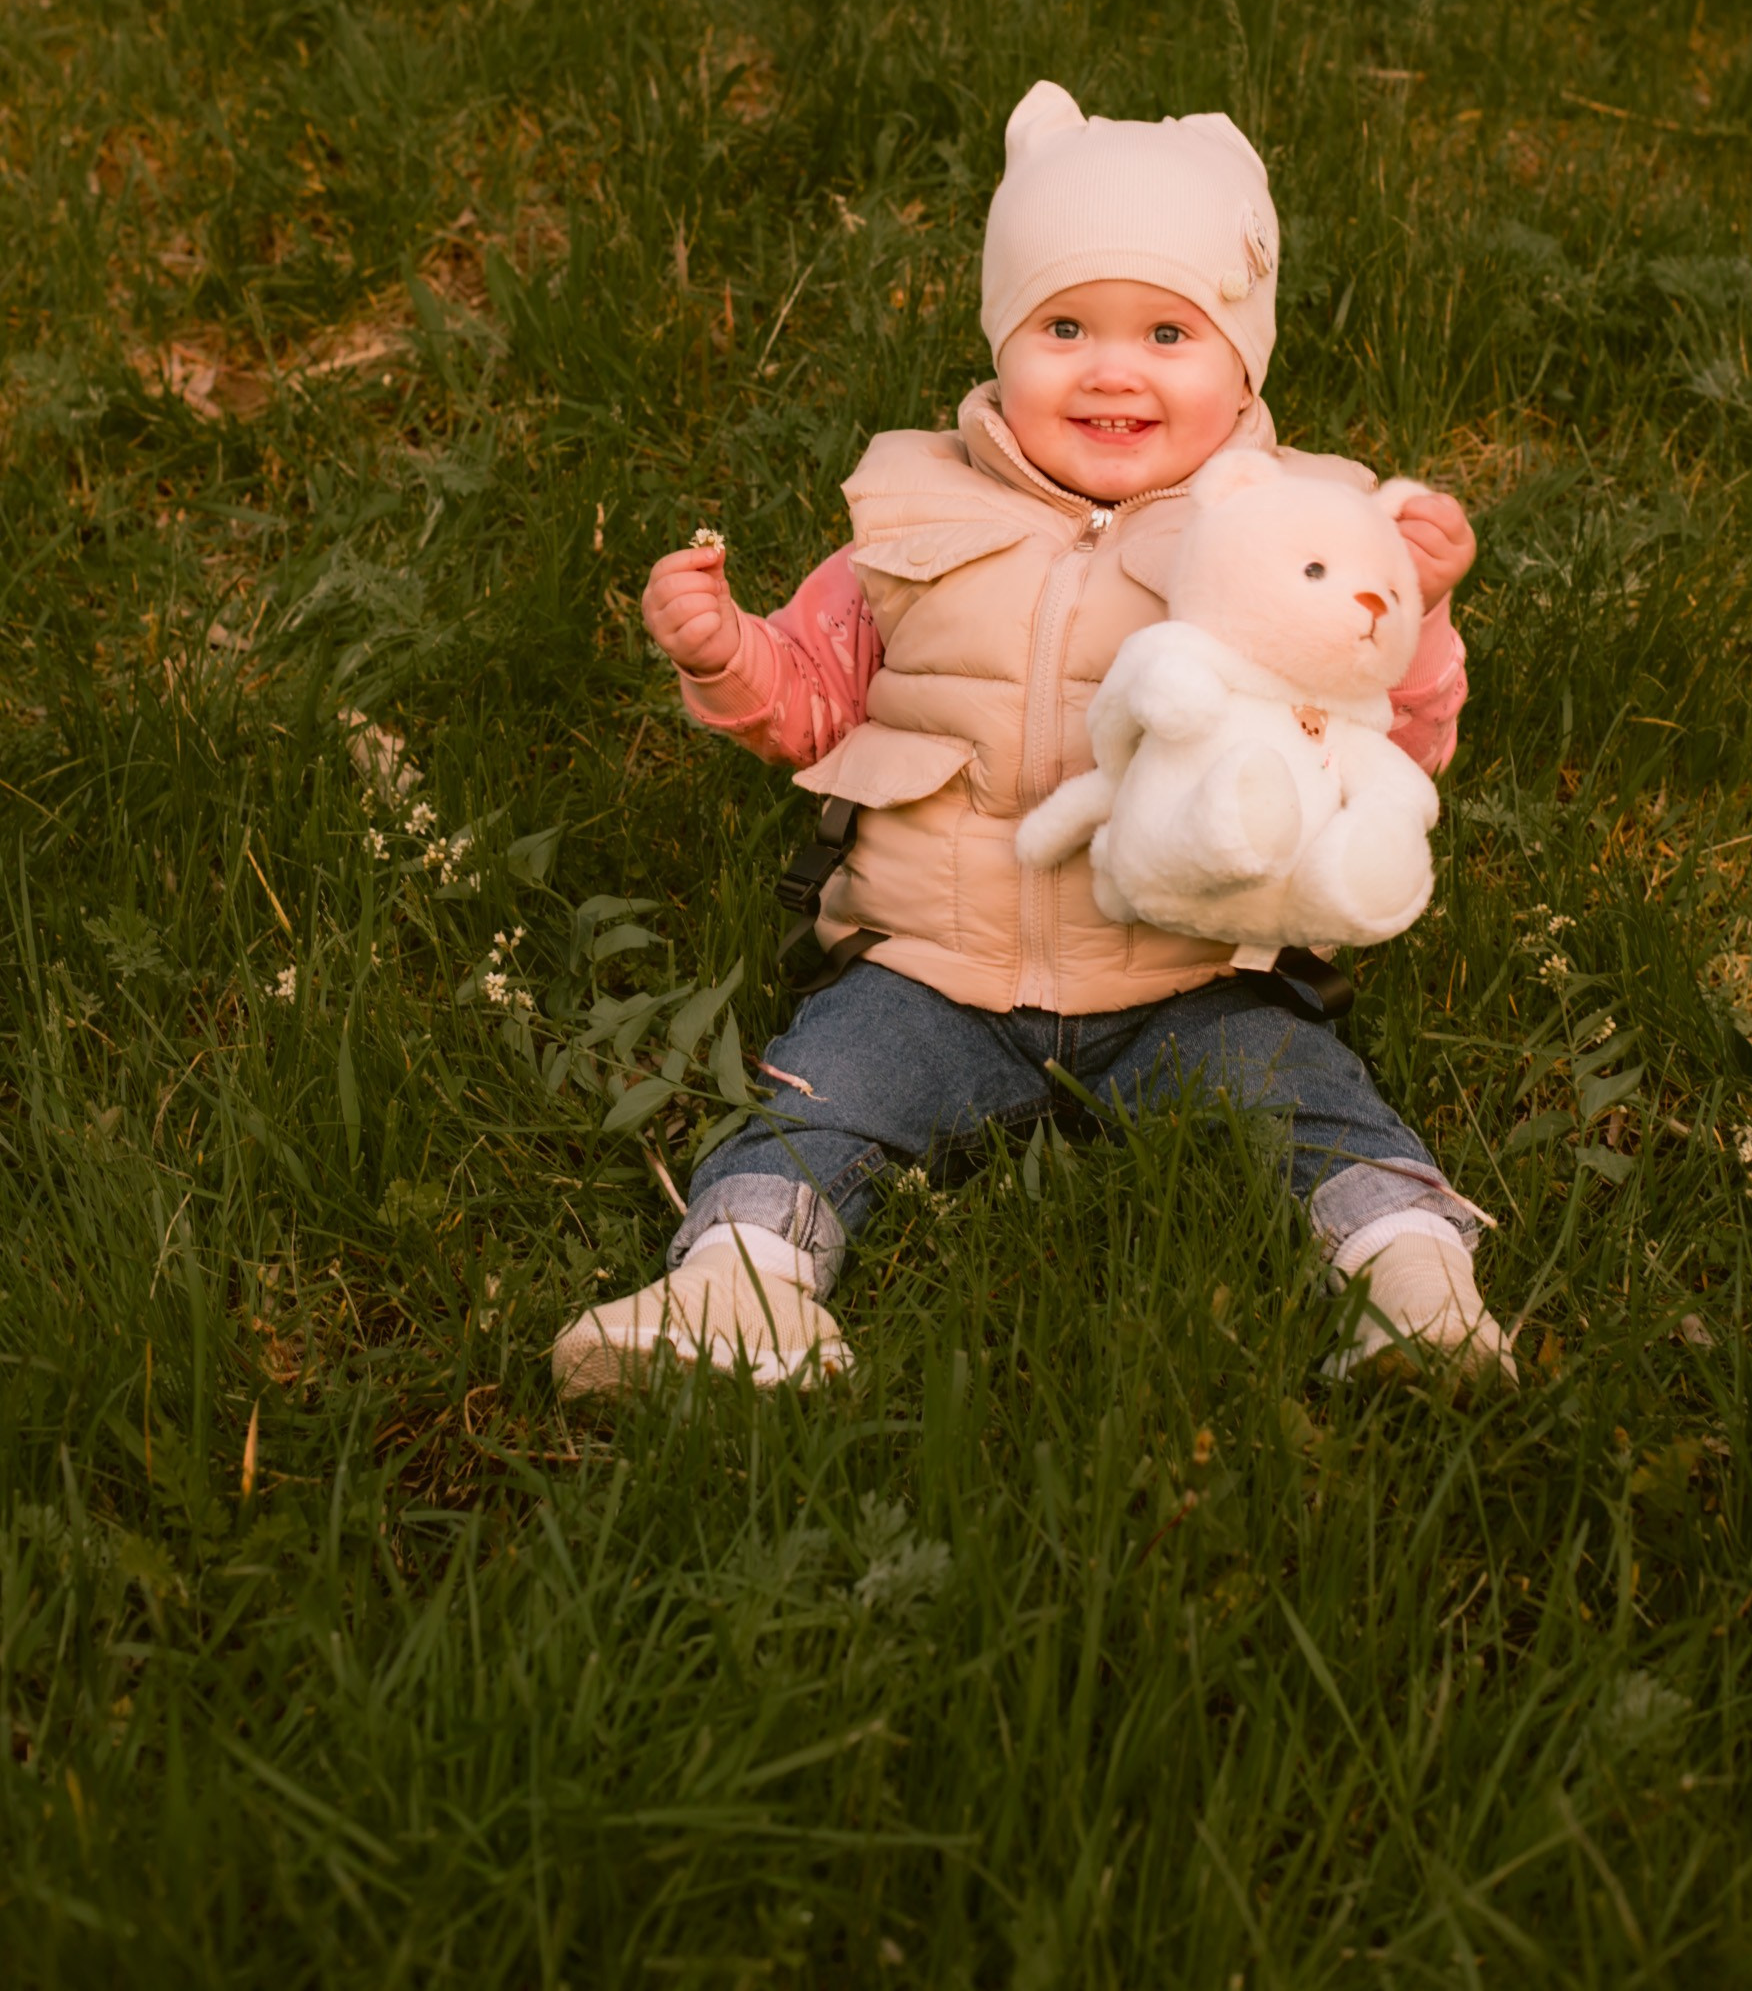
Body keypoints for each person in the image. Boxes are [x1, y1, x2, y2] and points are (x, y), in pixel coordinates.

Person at [552, 81, 1512, 1394]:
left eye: (1168, 331)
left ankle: (1415, 1287)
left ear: (1245, 362)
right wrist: (730, 655)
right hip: (931, 972)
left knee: (1313, 1106)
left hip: (1190, 978)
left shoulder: (1291, 535)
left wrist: (1422, 615)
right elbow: (814, 700)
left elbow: (1386, 750)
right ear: (1002, 337)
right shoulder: (911, 516)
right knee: (815, 1104)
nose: (1111, 368)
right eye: (1063, 324)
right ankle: (735, 1294)